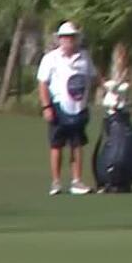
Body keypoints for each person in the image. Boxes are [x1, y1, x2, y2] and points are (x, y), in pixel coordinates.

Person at [37, 22, 100, 196]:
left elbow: (94, 78)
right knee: (56, 145)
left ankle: (76, 181)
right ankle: (56, 182)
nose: (69, 41)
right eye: (65, 38)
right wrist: (46, 106)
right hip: (58, 106)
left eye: (72, 37)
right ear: (59, 39)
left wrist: (102, 91)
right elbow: (43, 84)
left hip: (79, 107)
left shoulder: (84, 57)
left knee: (77, 145)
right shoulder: (51, 58)